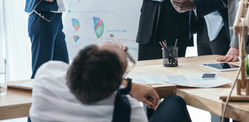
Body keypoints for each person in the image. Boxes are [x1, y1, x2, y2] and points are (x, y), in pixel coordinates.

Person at [29, 42, 192, 122]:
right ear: (116, 81)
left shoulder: (47, 74)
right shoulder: (126, 108)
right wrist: (128, 86)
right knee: (174, 102)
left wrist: (128, 86)